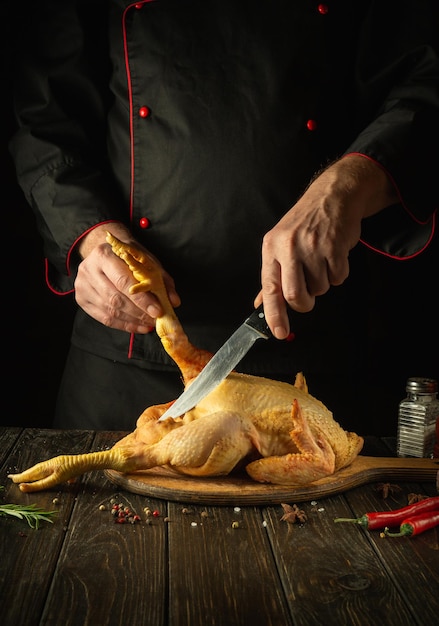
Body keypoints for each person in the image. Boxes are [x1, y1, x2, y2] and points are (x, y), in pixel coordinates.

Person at [9, 0, 439, 432]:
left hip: (318, 356)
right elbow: (45, 120)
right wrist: (93, 236)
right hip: (125, 361)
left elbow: (425, 82)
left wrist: (346, 187)